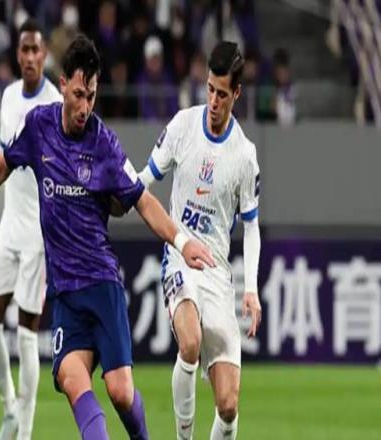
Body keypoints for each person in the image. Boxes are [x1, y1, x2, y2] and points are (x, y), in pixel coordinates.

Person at [0, 34, 214, 440]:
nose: (85, 107)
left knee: (120, 392)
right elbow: (2, 164)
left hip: (102, 285)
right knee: (73, 381)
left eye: (91, 96)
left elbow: (142, 202)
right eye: (77, 95)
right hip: (65, 295)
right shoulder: (39, 126)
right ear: (63, 84)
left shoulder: (104, 143)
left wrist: (181, 241)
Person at [138, 41, 262, 440]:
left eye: (222, 94)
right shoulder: (182, 126)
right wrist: (114, 192)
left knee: (228, 406)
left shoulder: (244, 155)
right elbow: (144, 180)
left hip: (217, 274)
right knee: (189, 343)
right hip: (180, 257)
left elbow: (252, 226)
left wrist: (251, 289)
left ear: (236, 93)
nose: (213, 101)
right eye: (209, 89)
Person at [0, 19, 61, 440]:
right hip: (9, 229)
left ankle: (25, 433)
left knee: (26, 335)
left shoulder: (56, 104)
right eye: (25, 50)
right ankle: (9, 410)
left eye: (36, 49)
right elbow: (3, 161)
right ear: (17, 55)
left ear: (45, 54)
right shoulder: (7, 97)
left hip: (38, 233)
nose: (31, 57)